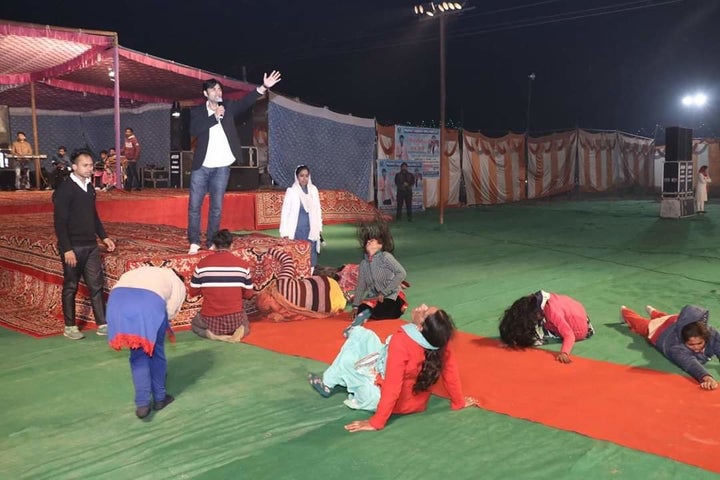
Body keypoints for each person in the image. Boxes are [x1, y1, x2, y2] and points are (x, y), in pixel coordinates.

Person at [308, 304, 478, 431]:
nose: (422, 306)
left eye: (425, 312)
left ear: (420, 326)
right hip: (408, 394)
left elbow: (392, 388)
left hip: (382, 397)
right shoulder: (439, 338)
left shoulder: (402, 343)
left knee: (347, 362)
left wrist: (376, 422)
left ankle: (328, 384)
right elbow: (450, 372)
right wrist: (458, 402)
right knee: (367, 335)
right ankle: (353, 330)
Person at [187, 71, 282, 255]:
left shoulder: (229, 107)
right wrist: (214, 117)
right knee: (194, 206)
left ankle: (211, 241)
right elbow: (195, 130)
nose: (218, 91)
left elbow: (247, 101)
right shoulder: (197, 111)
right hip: (202, 166)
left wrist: (263, 87)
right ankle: (194, 241)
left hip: (222, 166)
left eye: (219, 88)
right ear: (206, 94)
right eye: (213, 89)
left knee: (216, 207)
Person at [53, 148, 116, 340]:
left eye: (91, 165)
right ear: (74, 167)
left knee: (96, 285)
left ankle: (102, 323)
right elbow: (59, 222)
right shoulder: (65, 190)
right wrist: (67, 249)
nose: (90, 168)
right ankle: (70, 326)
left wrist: (103, 237)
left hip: (90, 246)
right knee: (71, 286)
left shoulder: (89, 187)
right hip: (73, 247)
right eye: (85, 165)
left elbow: (93, 215)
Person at [107, 266, 186, 419]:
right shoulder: (176, 281)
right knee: (155, 353)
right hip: (147, 303)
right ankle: (160, 399)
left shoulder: (143, 271)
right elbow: (170, 311)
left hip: (116, 302)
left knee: (138, 356)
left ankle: (142, 404)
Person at [620, 304, 720, 390]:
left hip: (673, 320)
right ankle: (625, 312)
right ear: (683, 340)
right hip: (660, 331)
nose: (696, 347)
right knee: (641, 325)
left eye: (700, 343)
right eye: (691, 344)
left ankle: (655, 313)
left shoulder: (711, 333)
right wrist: (706, 377)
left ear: (705, 337)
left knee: (669, 318)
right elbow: (689, 362)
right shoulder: (675, 347)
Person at [343, 220, 407, 336]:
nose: (368, 241)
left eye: (372, 241)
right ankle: (359, 323)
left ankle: (363, 319)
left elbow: (401, 273)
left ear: (380, 246)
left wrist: (385, 291)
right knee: (362, 308)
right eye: (368, 240)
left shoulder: (386, 257)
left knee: (381, 309)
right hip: (374, 299)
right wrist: (355, 306)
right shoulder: (364, 264)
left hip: (392, 297)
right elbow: (361, 286)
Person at [189, 229, 254, 342]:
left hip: (210, 319)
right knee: (245, 323)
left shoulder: (202, 265)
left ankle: (211, 334)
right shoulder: (243, 265)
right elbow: (249, 294)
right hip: (235, 319)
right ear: (232, 245)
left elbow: (192, 292)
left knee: (195, 324)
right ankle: (241, 330)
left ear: (213, 245)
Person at [498, 291, 594, 363]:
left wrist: (564, 352)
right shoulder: (540, 300)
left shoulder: (552, 312)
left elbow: (569, 335)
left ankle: (516, 338)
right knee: (532, 323)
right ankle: (515, 337)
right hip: (582, 317)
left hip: (579, 330)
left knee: (537, 332)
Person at [279, 165, 323, 270]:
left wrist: (319, 227)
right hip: (296, 230)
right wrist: (284, 232)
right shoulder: (291, 191)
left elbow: (318, 209)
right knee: (296, 254)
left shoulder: (313, 190)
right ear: (297, 177)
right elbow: (285, 212)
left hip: (311, 229)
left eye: (306, 176)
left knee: (311, 253)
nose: (304, 179)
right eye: (301, 176)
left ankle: (309, 276)